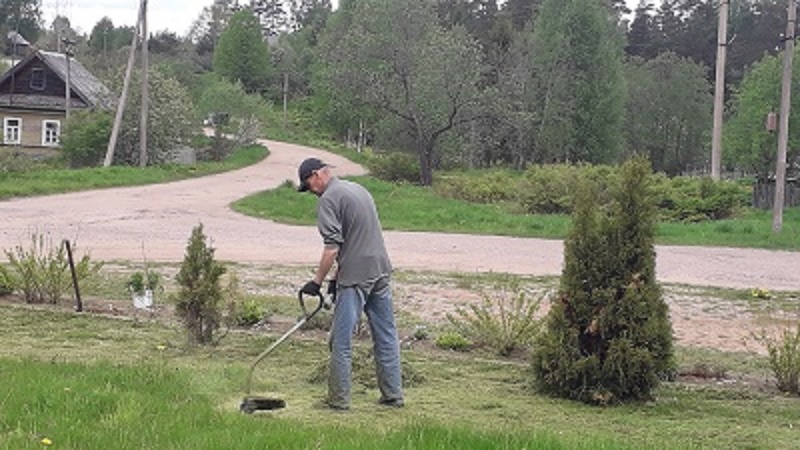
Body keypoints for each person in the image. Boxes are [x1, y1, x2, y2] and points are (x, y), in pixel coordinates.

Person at [297, 157, 404, 410]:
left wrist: (317, 281)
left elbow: (332, 248)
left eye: (309, 185)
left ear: (316, 175)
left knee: (340, 342)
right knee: (387, 336)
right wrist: (335, 279)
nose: (311, 191)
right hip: (379, 270)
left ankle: (338, 401)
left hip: (356, 277)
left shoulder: (329, 200)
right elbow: (357, 237)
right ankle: (393, 396)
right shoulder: (358, 189)